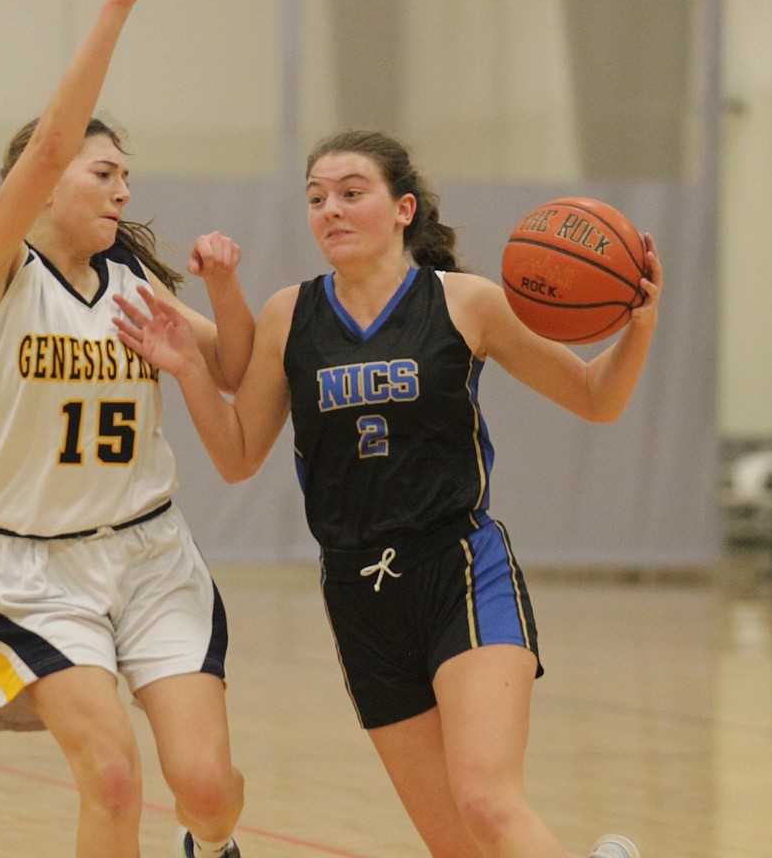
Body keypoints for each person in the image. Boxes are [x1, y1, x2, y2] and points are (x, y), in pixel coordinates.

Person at [113, 128, 663, 858]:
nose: (331, 210)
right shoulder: (289, 316)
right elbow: (241, 456)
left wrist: (641, 322)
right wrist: (187, 371)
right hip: (359, 589)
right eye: (316, 199)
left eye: (351, 193)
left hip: (461, 568)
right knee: (456, 844)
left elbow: (596, 398)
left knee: (487, 802)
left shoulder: (466, 303)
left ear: (404, 209)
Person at [0, 0, 251, 857]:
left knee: (208, 790)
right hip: (39, 572)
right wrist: (118, 6)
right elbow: (48, 144)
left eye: (127, 176)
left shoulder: (136, 286)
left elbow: (236, 369)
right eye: (103, 172)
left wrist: (224, 292)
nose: (123, 190)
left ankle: (210, 840)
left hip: (153, 554)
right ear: (39, 188)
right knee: (114, 778)